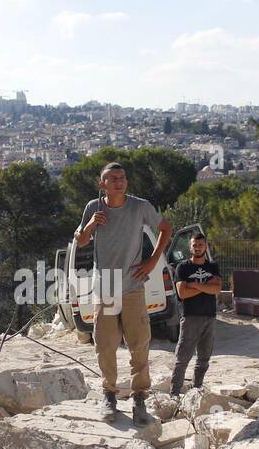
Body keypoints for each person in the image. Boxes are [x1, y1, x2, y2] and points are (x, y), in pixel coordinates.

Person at [75, 162, 171, 424]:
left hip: (131, 288)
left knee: (139, 344)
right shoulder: (93, 207)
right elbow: (81, 241)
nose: (119, 182)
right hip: (105, 286)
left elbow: (166, 228)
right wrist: (92, 224)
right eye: (112, 178)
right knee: (105, 344)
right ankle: (109, 395)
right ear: (102, 184)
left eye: (122, 177)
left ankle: (140, 398)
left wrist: (151, 262)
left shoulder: (140, 206)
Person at [170, 233, 221, 394]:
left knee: (204, 359)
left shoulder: (213, 266)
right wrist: (206, 285)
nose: (197, 247)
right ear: (190, 247)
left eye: (200, 244)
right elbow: (182, 294)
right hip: (191, 317)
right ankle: (175, 393)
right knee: (182, 359)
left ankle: (196, 390)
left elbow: (217, 289)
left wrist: (194, 285)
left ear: (206, 246)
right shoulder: (183, 267)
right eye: (194, 245)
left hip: (210, 317)